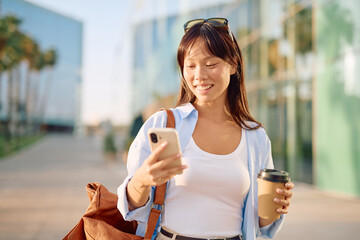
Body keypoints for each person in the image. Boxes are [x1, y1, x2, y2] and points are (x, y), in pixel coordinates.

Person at [117, 17, 294, 240]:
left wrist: (276, 206)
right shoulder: (163, 123)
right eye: (190, 66)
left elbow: (260, 224)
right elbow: (131, 211)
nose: (199, 75)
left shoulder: (255, 136)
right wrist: (141, 180)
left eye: (211, 64)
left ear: (233, 65)